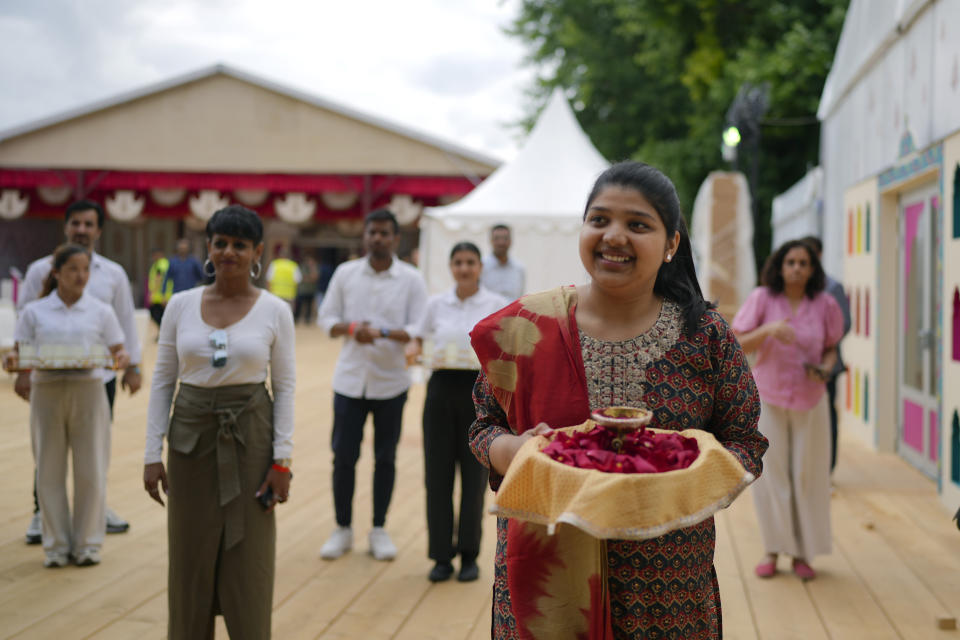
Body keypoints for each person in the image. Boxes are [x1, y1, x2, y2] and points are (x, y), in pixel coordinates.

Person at [469, 161, 767, 638]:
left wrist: (688, 476)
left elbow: (745, 442)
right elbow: (483, 426)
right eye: (600, 219)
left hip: (667, 586)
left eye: (638, 225)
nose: (614, 236)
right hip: (548, 577)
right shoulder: (528, 328)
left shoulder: (704, 336)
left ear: (671, 244)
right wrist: (514, 450)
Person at [143, 204, 295, 638]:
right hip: (189, 442)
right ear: (208, 247)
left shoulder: (274, 310)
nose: (229, 252)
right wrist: (152, 454)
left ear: (257, 251)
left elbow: (283, 387)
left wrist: (282, 460)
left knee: (250, 555)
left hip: (251, 439)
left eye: (240, 245)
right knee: (190, 555)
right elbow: (162, 381)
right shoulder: (180, 304)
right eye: (221, 243)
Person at [17, 199, 142, 543]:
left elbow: (126, 324)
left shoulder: (113, 274)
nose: (82, 230)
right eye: (76, 223)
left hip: (97, 380)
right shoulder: (39, 270)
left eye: (89, 224)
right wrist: (23, 371)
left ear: (99, 230)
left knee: (95, 449)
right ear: (66, 226)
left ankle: (95, 510)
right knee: (48, 448)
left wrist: (133, 367)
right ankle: (42, 514)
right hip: (49, 380)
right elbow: (24, 322)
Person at [6, 244, 129, 567]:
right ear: (56, 273)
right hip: (46, 392)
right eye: (73, 269)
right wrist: (12, 363)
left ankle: (88, 544)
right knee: (49, 469)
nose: (80, 276)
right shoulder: (35, 311)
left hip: (89, 389)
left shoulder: (101, 311)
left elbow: (119, 349)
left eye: (85, 269)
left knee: (91, 469)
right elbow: (20, 352)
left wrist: (122, 360)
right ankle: (56, 546)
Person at [317, 208, 428, 561]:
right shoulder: (346, 274)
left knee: (386, 458)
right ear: (364, 237)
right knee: (343, 457)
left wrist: (379, 332)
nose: (377, 238)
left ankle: (379, 528)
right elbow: (326, 319)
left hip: (391, 383)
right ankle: (343, 528)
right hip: (350, 381)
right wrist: (352, 330)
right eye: (372, 233)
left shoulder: (411, 279)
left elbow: (418, 328)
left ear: (396, 239)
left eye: (384, 233)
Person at [732, 239, 844, 581]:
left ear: (813, 269)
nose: (797, 268)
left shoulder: (825, 304)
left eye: (803, 263)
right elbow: (736, 340)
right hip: (769, 396)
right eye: (791, 262)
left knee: (808, 476)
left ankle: (802, 553)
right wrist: (767, 330)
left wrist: (825, 369)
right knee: (773, 476)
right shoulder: (762, 298)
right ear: (780, 266)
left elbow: (831, 349)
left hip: (811, 399)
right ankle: (772, 549)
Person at [407, 241, 506, 583]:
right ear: (451, 267)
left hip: (479, 394)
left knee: (475, 476)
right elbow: (417, 340)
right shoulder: (435, 304)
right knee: (437, 475)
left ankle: (468, 554)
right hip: (439, 392)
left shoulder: (494, 305)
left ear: (480, 267)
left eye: (470, 262)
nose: (464, 268)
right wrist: (413, 349)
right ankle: (440, 556)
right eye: (458, 262)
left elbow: (505, 348)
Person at [800, 235, 851, 473]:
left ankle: (827, 470)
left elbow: (844, 325)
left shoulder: (832, 287)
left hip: (825, 365)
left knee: (827, 416)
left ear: (818, 256)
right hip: (795, 368)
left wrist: (818, 344)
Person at [481, 224, 525, 301]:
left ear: (511, 241)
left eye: (505, 238)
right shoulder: (481, 266)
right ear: (491, 241)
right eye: (497, 238)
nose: (501, 242)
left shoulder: (519, 268)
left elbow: (520, 296)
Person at [266, 245, 302, 311]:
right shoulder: (293, 266)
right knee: (288, 315)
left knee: (276, 315)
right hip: (289, 295)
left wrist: (269, 294)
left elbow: (268, 280)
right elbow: (298, 281)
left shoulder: (274, 264)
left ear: (279, 255)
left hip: (275, 295)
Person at [147, 248, 173, 331]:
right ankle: (163, 331)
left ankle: (164, 331)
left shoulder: (161, 264)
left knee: (157, 314)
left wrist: (152, 293)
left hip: (160, 296)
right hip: (159, 296)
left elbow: (159, 279)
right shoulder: (159, 264)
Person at [293, 253, 319, 324]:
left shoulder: (314, 268)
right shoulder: (302, 267)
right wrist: (309, 278)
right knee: (299, 305)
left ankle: (307, 320)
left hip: (310, 290)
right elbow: (301, 278)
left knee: (309, 306)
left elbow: (315, 278)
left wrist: (312, 269)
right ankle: (296, 319)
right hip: (302, 290)